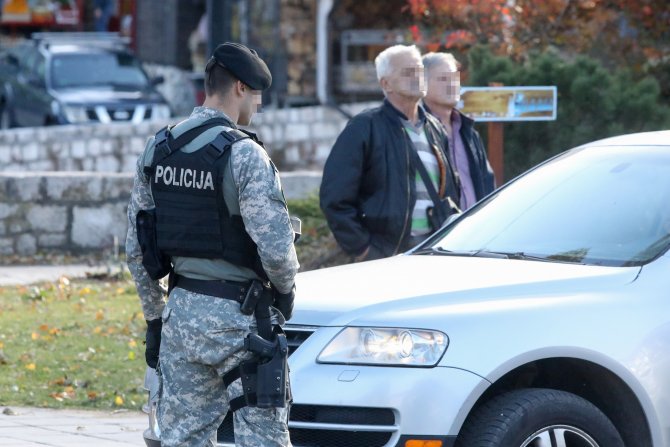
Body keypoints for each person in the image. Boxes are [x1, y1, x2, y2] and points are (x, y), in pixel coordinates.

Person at [126, 42, 299, 447]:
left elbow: (137, 251)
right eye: (256, 96)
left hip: (181, 320)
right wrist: (286, 292)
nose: (256, 107)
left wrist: (156, 320)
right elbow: (276, 249)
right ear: (240, 87)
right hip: (241, 323)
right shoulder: (245, 155)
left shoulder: (158, 150)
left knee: (182, 438)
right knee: (262, 439)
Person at [320, 44, 460, 262]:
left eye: (419, 70)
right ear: (386, 84)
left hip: (431, 252)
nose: (417, 76)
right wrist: (363, 249)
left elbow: (451, 191)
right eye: (407, 72)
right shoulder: (364, 127)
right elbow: (335, 198)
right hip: (384, 255)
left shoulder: (434, 128)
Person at [422, 52, 495, 210]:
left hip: (473, 230)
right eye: (443, 78)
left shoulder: (469, 133)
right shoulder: (417, 132)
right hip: (436, 232)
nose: (452, 84)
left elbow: (487, 185)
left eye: (454, 78)